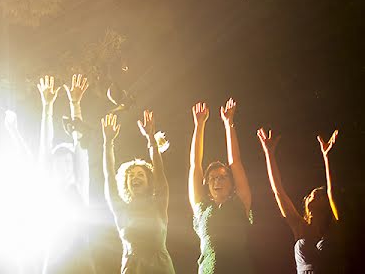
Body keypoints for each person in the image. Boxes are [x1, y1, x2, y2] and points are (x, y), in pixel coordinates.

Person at [258, 128, 340, 273]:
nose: (312, 195)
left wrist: (328, 158)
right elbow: (278, 191)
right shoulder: (300, 227)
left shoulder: (335, 225)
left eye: (320, 195)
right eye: (310, 195)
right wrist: (269, 154)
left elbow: (332, 192)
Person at [102, 111, 175, 274]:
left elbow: (160, 173)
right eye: (131, 175)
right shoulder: (120, 209)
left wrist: (151, 140)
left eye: (140, 174)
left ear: (149, 180)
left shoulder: (159, 204)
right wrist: (108, 143)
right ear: (126, 183)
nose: (135, 177)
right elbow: (109, 176)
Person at [37, 74, 95, 274]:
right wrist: (47, 107)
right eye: (59, 162)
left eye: (68, 162)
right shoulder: (48, 188)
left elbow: (80, 146)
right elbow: (44, 147)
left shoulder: (79, 185)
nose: (64, 166)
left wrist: (75, 103)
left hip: (81, 259)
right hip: (54, 257)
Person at [188, 100, 253, 273]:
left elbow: (235, 162)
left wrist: (228, 124)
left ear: (232, 183)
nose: (217, 181)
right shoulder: (201, 208)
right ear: (207, 185)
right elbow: (195, 165)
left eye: (223, 177)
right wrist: (199, 125)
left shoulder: (240, 203)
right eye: (212, 178)